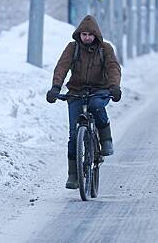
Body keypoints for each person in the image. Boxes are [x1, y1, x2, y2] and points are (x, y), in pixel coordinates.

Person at [46, 15, 122, 189]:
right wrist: (56, 87)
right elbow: (62, 67)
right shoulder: (73, 48)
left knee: (96, 106)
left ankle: (106, 139)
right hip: (76, 91)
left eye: (90, 34)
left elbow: (113, 68)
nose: (87, 37)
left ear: (96, 35)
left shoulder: (105, 48)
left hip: (99, 90)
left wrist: (114, 87)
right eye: (84, 34)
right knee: (74, 135)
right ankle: (73, 174)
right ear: (79, 35)